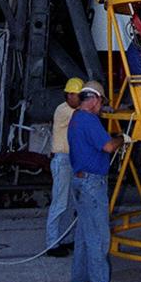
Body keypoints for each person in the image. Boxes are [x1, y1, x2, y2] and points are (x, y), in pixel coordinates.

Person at [67, 80, 126, 282]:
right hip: (92, 184)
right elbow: (108, 146)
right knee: (99, 237)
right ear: (95, 100)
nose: (101, 107)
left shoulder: (76, 118)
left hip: (81, 181)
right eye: (101, 103)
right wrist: (122, 139)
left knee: (83, 236)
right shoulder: (89, 120)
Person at [46, 77, 84, 257]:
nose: (81, 99)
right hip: (62, 160)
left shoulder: (73, 110)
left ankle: (65, 238)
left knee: (70, 204)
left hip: (70, 160)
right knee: (59, 202)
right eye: (79, 96)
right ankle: (52, 243)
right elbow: (84, 115)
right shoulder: (64, 111)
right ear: (69, 95)